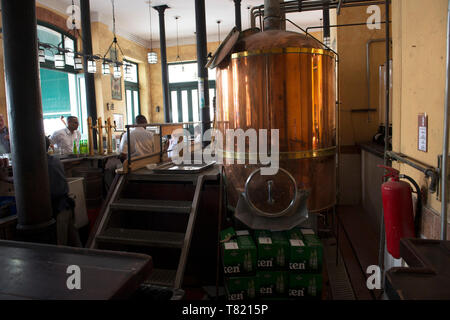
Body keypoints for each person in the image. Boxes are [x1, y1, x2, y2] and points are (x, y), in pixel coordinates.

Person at [45, 136, 81, 247]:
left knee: (60, 246)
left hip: (58, 207)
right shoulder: (54, 160)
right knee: (74, 242)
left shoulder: (42, 164)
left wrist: (5, 178)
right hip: (66, 205)